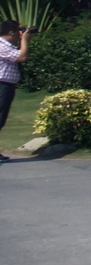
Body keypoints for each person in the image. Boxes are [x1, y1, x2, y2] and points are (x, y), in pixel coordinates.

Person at [0, 21, 32, 163]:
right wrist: (24, 40)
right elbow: (22, 57)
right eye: (18, 31)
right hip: (2, 85)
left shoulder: (7, 47)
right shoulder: (1, 45)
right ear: (12, 33)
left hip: (6, 85)